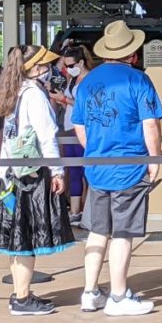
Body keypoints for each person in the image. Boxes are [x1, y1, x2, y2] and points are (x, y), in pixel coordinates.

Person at [72, 20, 162, 316]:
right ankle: (118, 295)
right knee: (122, 233)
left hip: (97, 167)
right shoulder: (139, 80)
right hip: (130, 166)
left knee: (97, 232)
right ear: (133, 53)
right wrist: (154, 160)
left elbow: (79, 125)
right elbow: (150, 123)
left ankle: (89, 292)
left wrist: (94, 150)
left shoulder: (87, 82)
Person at [0, 45, 74, 317]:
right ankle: (23, 298)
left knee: (15, 235)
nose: (49, 70)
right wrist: (57, 171)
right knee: (25, 237)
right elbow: (46, 136)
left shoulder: (14, 92)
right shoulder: (35, 95)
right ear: (36, 68)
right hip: (31, 175)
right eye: (45, 65)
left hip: (12, 173)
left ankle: (19, 292)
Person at [54, 45, 93, 224]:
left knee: (86, 171)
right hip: (69, 128)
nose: (68, 69)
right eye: (67, 66)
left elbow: (86, 106)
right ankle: (75, 211)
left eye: (71, 65)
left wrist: (64, 99)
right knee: (73, 170)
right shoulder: (72, 79)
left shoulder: (90, 80)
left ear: (82, 62)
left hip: (83, 129)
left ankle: (89, 211)